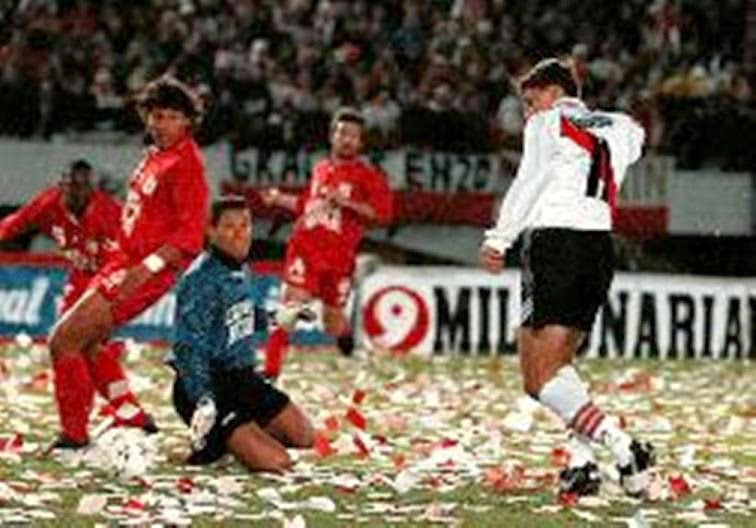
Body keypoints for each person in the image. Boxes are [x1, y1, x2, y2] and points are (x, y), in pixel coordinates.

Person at [480, 59, 654, 498]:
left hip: (556, 243)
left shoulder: (547, 123)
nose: (527, 111)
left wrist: (500, 238)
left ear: (554, 92)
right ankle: (582, 464)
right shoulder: (620, 125)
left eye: (531, 100)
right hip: (599, 246)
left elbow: (529, 180)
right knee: (560, 367)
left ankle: (623, 446)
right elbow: (638, 138)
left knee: (537, 378)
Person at [46, 77, 209, 449]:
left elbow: (189, 237)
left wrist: (145, 269)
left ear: (187, 121)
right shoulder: (156, 155)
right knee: (90, 345)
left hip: (139, 271)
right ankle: (132, 415)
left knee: (62, 341)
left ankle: (74, 436)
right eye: (155, 116)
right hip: (120, 262)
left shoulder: (185, 164)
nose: (160, 124)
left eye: (170, 117)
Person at [170, 197, 314, 471]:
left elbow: (240, 315)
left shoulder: (240, 268)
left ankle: (236, 437)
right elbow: (188, 349)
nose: (240, 233)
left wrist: (276, 317)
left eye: (245, 225)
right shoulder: (200, 279)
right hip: (210, 385)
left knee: (304, 437)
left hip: (243, 379)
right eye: (229, 226)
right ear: (211, 230)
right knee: (278, 463)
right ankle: (215, 442)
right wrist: (203, 400)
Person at [0, 160, 138, 440]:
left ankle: (88, 427)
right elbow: (13, 224)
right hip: (80, 278)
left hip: (109, 283)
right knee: (79, 350)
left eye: (82, 187)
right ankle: (123, 415)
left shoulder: (109, 214)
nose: (75, 192)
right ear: (61, 185)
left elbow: (129, 258)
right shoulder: (48, 203)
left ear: (92, 189)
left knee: (79, 348)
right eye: (70, 186)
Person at [260, 107, 393, 376]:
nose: (347, 140)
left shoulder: (369, 176)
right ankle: (270, 371)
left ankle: (349, 346)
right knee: (290, 304)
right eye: (342, 133)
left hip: (339, 256)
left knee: (332, 323)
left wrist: (347, 203)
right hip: (306, 248)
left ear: (361, 142)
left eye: (353, 135)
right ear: (332, 136)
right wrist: (279, 199)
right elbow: (308, 205)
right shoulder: (320, 168)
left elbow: (382, 215)